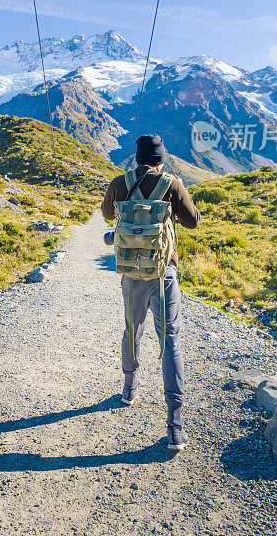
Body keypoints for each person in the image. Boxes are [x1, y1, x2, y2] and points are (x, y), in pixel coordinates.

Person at [101, 133, 200, 451]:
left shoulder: (119, 182)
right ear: (161, 159)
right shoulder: (173, 183)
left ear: (137, 157)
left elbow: (106, 215)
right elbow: (193, 222)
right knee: (170, 340)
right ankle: (175, 425)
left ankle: (129, 388)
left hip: (131, 273)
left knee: (133, 331)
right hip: (164, 273)